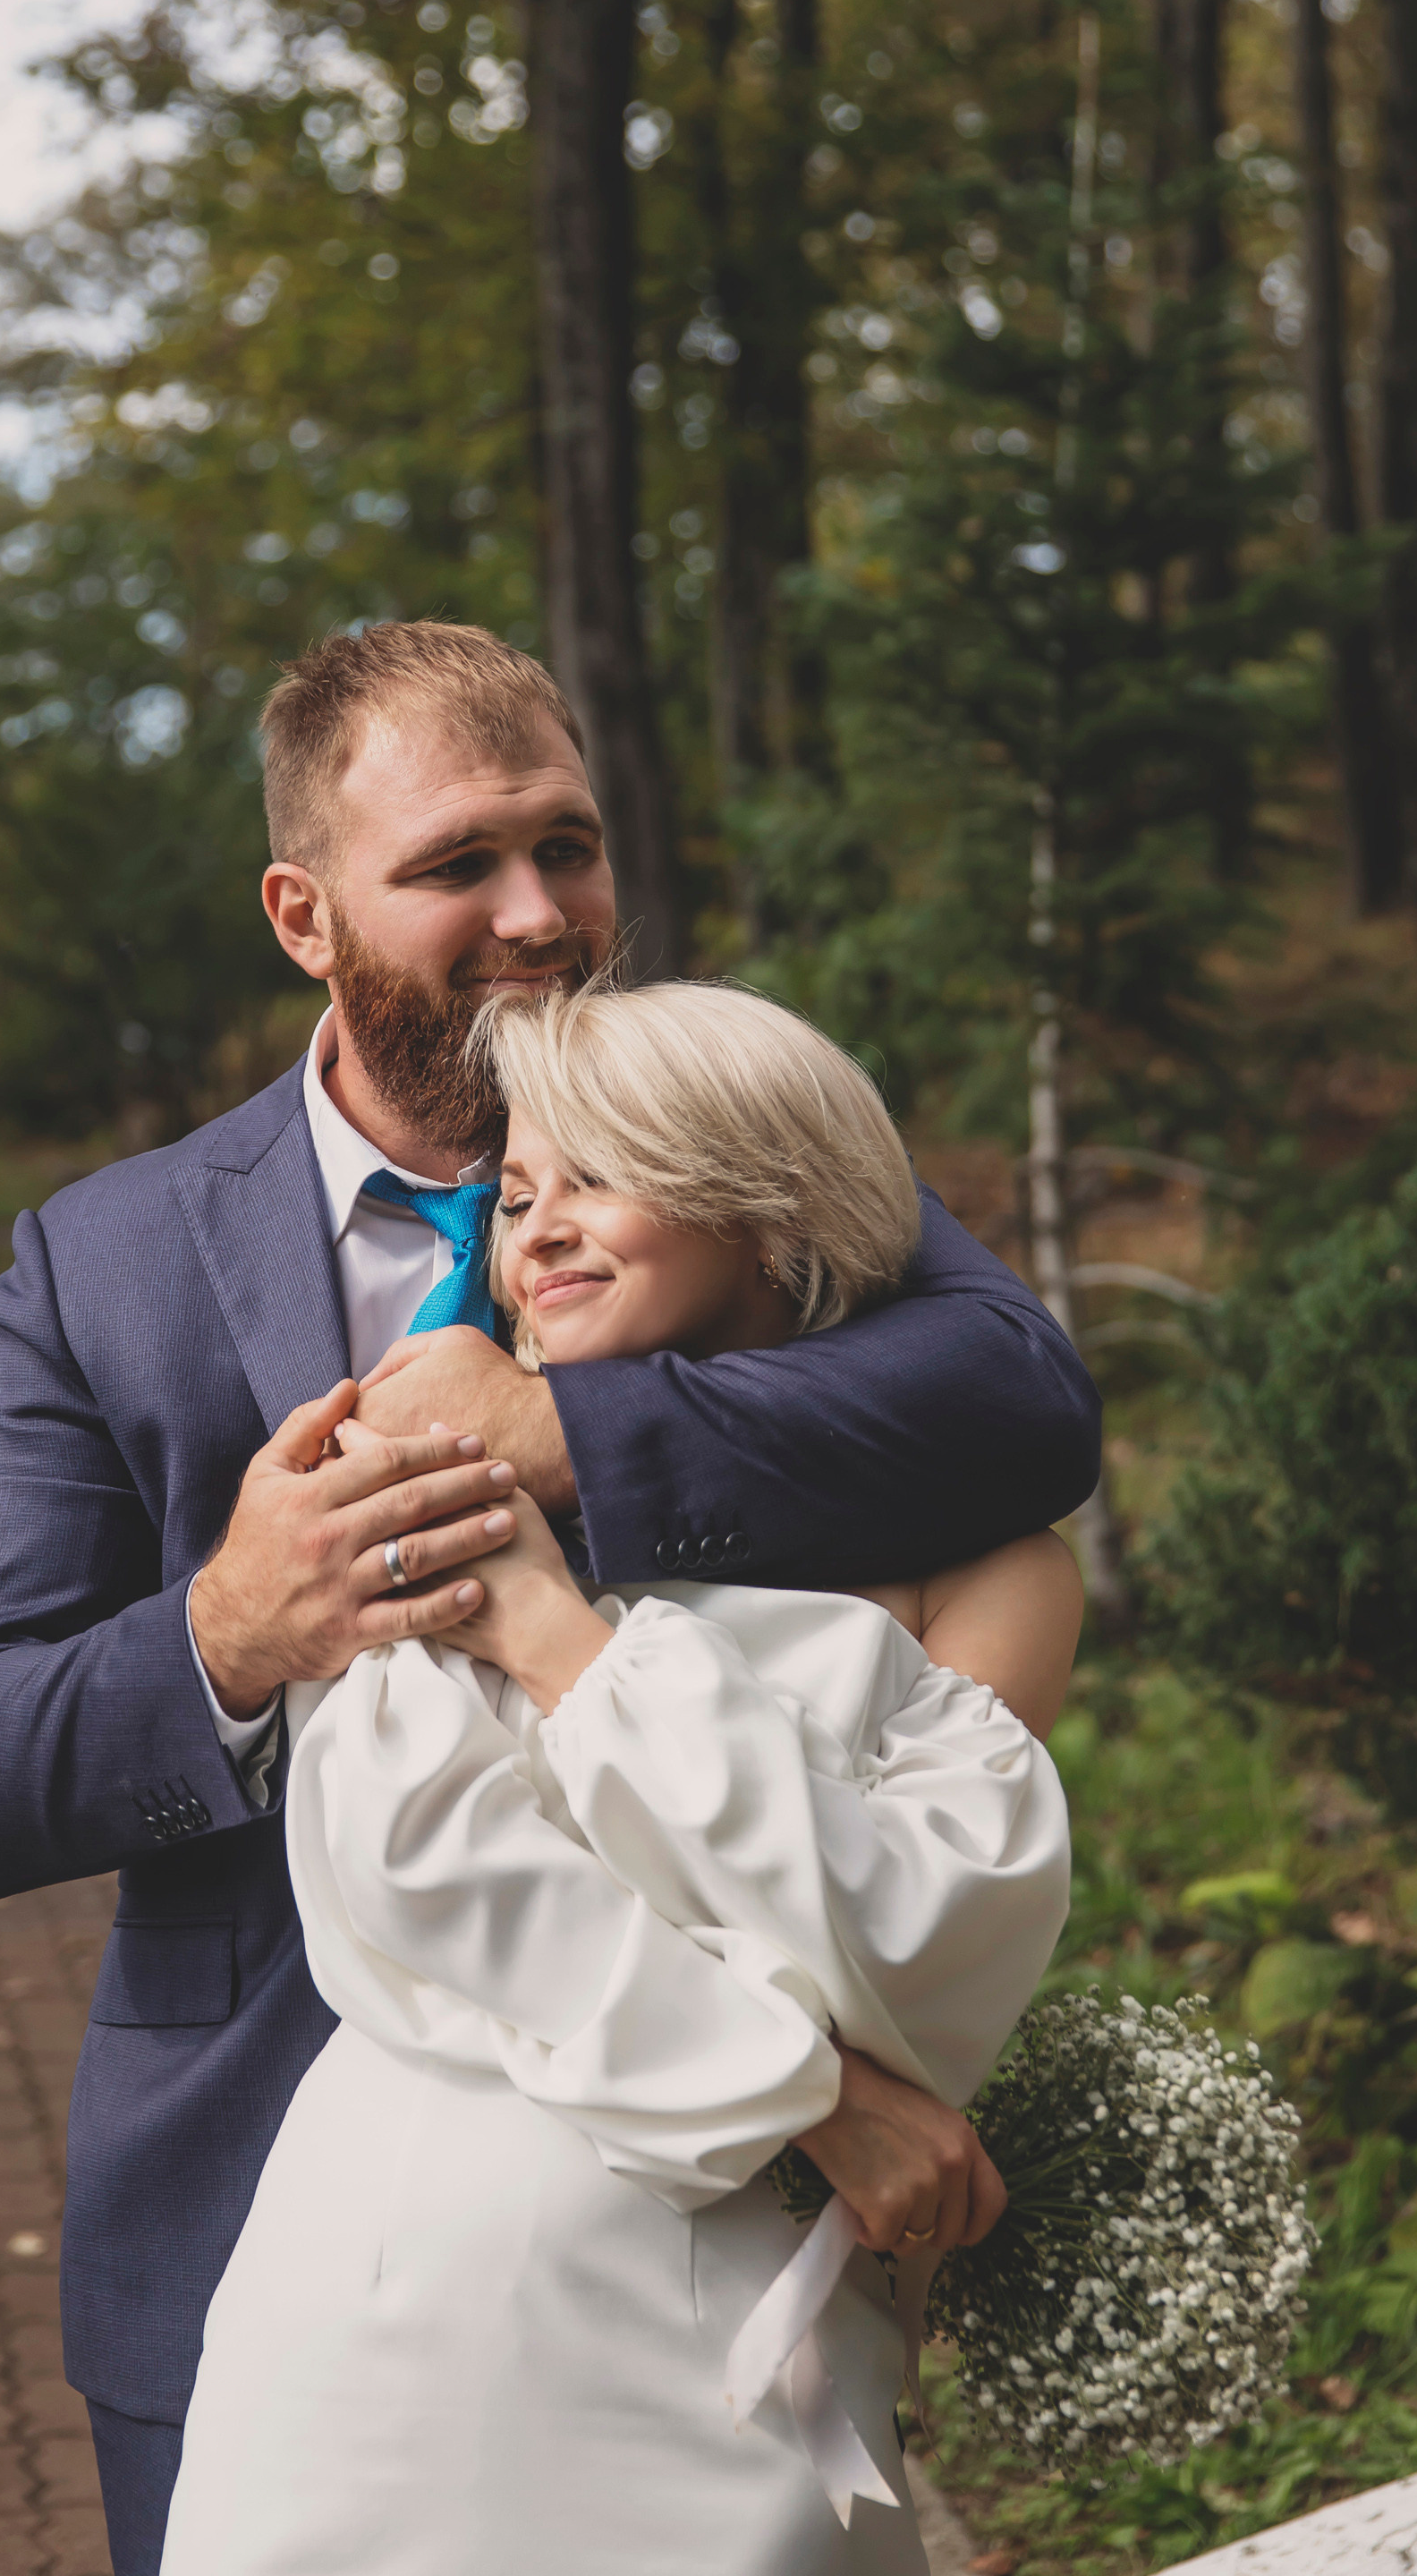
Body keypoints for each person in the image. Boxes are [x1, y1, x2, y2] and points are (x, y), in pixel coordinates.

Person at [0, 620, 1099, 2576]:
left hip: (692, 2276)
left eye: (571, 845)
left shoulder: (719, 1150)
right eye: (460, 865)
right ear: (305, 912)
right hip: (249, 2225)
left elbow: (1019, 1401)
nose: (541, 915)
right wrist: (236, 1627)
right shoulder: (102, 1263)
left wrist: (554, 1436)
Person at [162, 977, 1079, 2574]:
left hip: (745, 2360)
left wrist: (559, 1646)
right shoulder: (420, 1474)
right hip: (406, 2300)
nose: (539, 1233)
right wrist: (815, 2097)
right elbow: (431, 1881)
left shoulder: (991, 1564)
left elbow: (920, 1944)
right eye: (520, 1195)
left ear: (770, 1207)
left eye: (602, 1177)